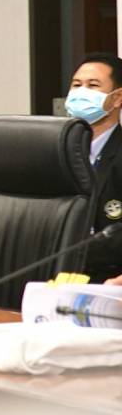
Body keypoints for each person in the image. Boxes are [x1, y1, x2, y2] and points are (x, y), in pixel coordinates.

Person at [63, 52, 122, 283]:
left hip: (109, 280)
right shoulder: (53, 152)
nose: (81, 93)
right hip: (55, 275)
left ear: (117, 98)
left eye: (93, 85)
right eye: (76, 85)